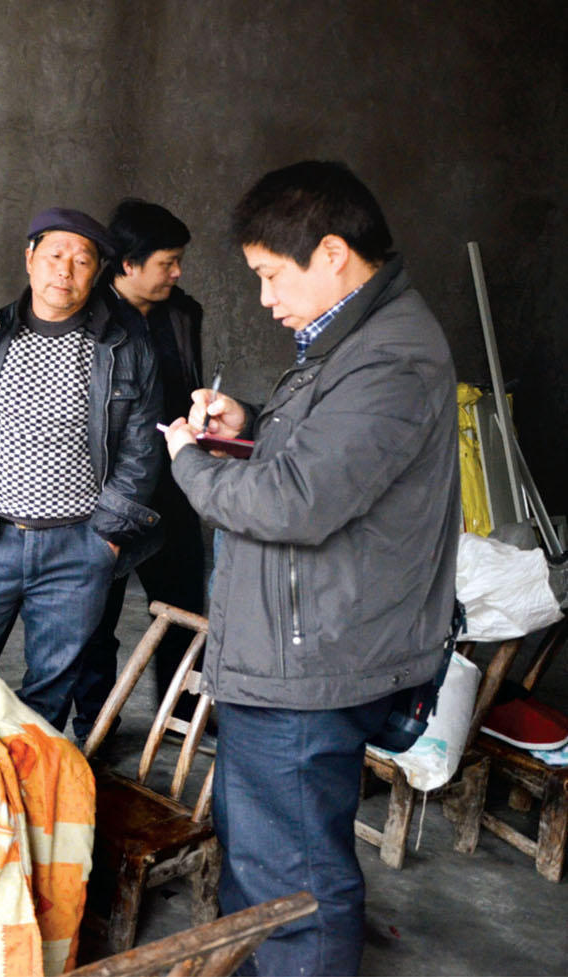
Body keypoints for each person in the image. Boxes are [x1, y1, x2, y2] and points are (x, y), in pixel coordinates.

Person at [160, 161, 459, 976]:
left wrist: (189, 462)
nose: (262, 297)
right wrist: (248, 425)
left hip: (310, 661)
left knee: (296, 887)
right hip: (297, 645)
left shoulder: (388, 356)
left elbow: (296, 503)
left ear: (330, 252)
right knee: (265, 861)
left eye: (266, 274)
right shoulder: (353, 338)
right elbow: (332, 459)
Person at [0, 206, 163, 734]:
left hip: (77, 548)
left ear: (96, 273)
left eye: (82, 261)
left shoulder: (125, 349)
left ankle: (35, 795)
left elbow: (142, 448)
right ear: (30, 258)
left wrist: (107, 537)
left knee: (51, 689)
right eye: (55, 255)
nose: (66, 271)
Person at [72, 200, 208, 737]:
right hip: (105, 492)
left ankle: (180, 718)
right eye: (166, 263)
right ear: (127, 263)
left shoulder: (182, 312)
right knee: (94, 617)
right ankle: (94, 725)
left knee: (184, 610)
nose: (176, 274)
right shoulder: (85, 318)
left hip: (173, 485)